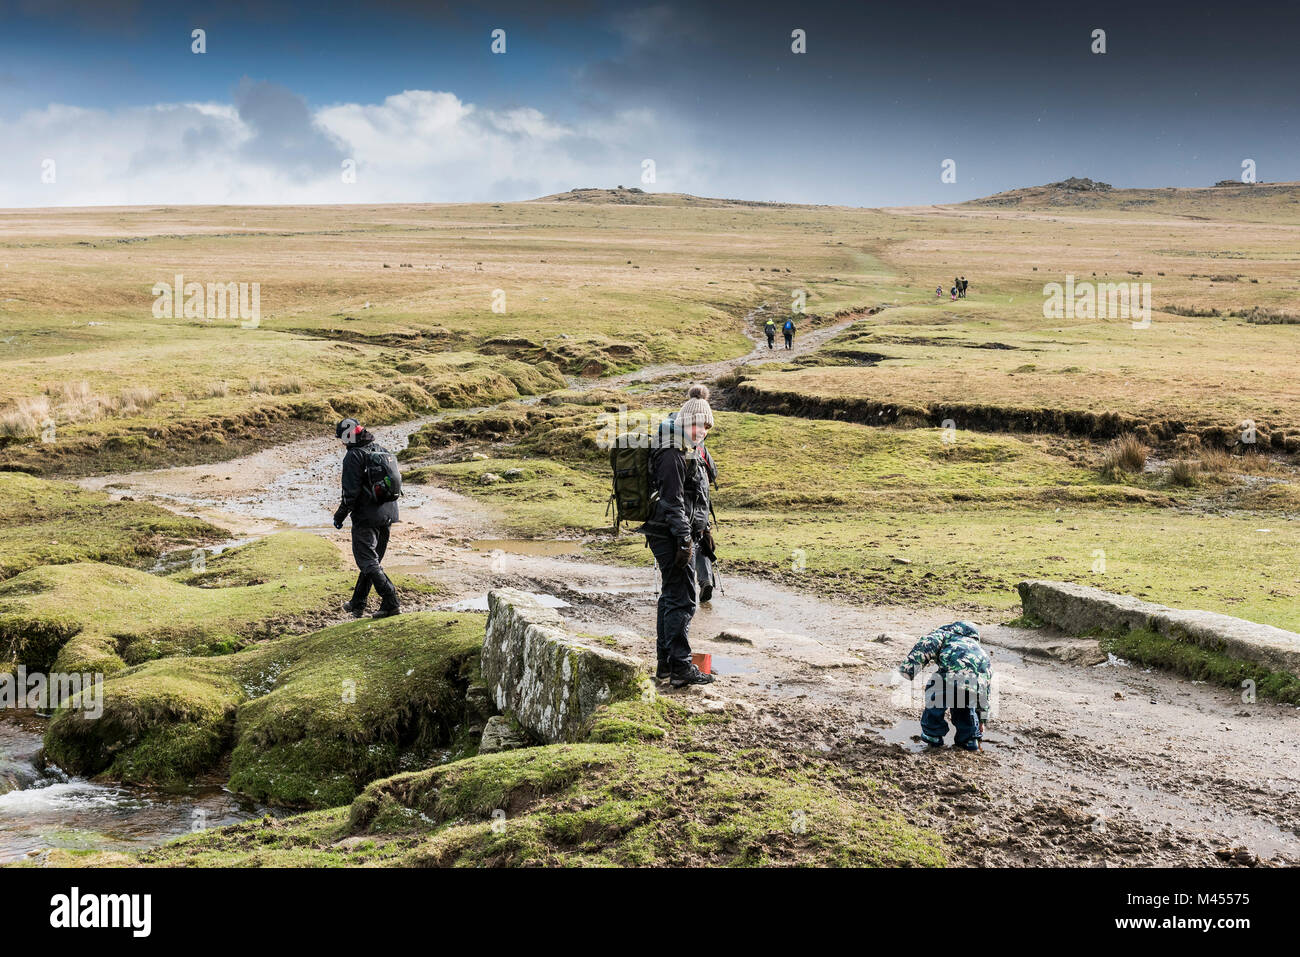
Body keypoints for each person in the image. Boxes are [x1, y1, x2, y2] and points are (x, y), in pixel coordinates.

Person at [642, 385, 716, 687]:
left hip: (677, 532)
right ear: (685, 421)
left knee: (671, 596)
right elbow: (672, 502)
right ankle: (681, 668)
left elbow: (694, 496)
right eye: (697, 424)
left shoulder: (687, 447)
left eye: (707, 426)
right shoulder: (672, 450)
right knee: (682, 600)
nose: (701, 431)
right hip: (669, 534)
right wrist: (686, 541)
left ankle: (667, 665)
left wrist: (703, 530)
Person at [333, 418, 401, 619]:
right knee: (372, 561)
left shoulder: (353, 456)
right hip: (388, 513)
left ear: (348, 436)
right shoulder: (379, 448)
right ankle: (358, 603)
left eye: (342, 438)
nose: (342, 443)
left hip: (367, 517)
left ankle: (391, 600)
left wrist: (339, 516)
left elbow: (350, 494)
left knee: (367, 561)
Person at [897, 621, 991, 750]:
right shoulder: (981, 652)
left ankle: (933, 734)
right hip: (975, 685)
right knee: (965, 706)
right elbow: (985, 691)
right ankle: (969, 739)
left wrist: (909, 669)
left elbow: (927, 644)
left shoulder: (946, 635)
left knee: (936, 698)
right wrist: (982, 720)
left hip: (948, 677)